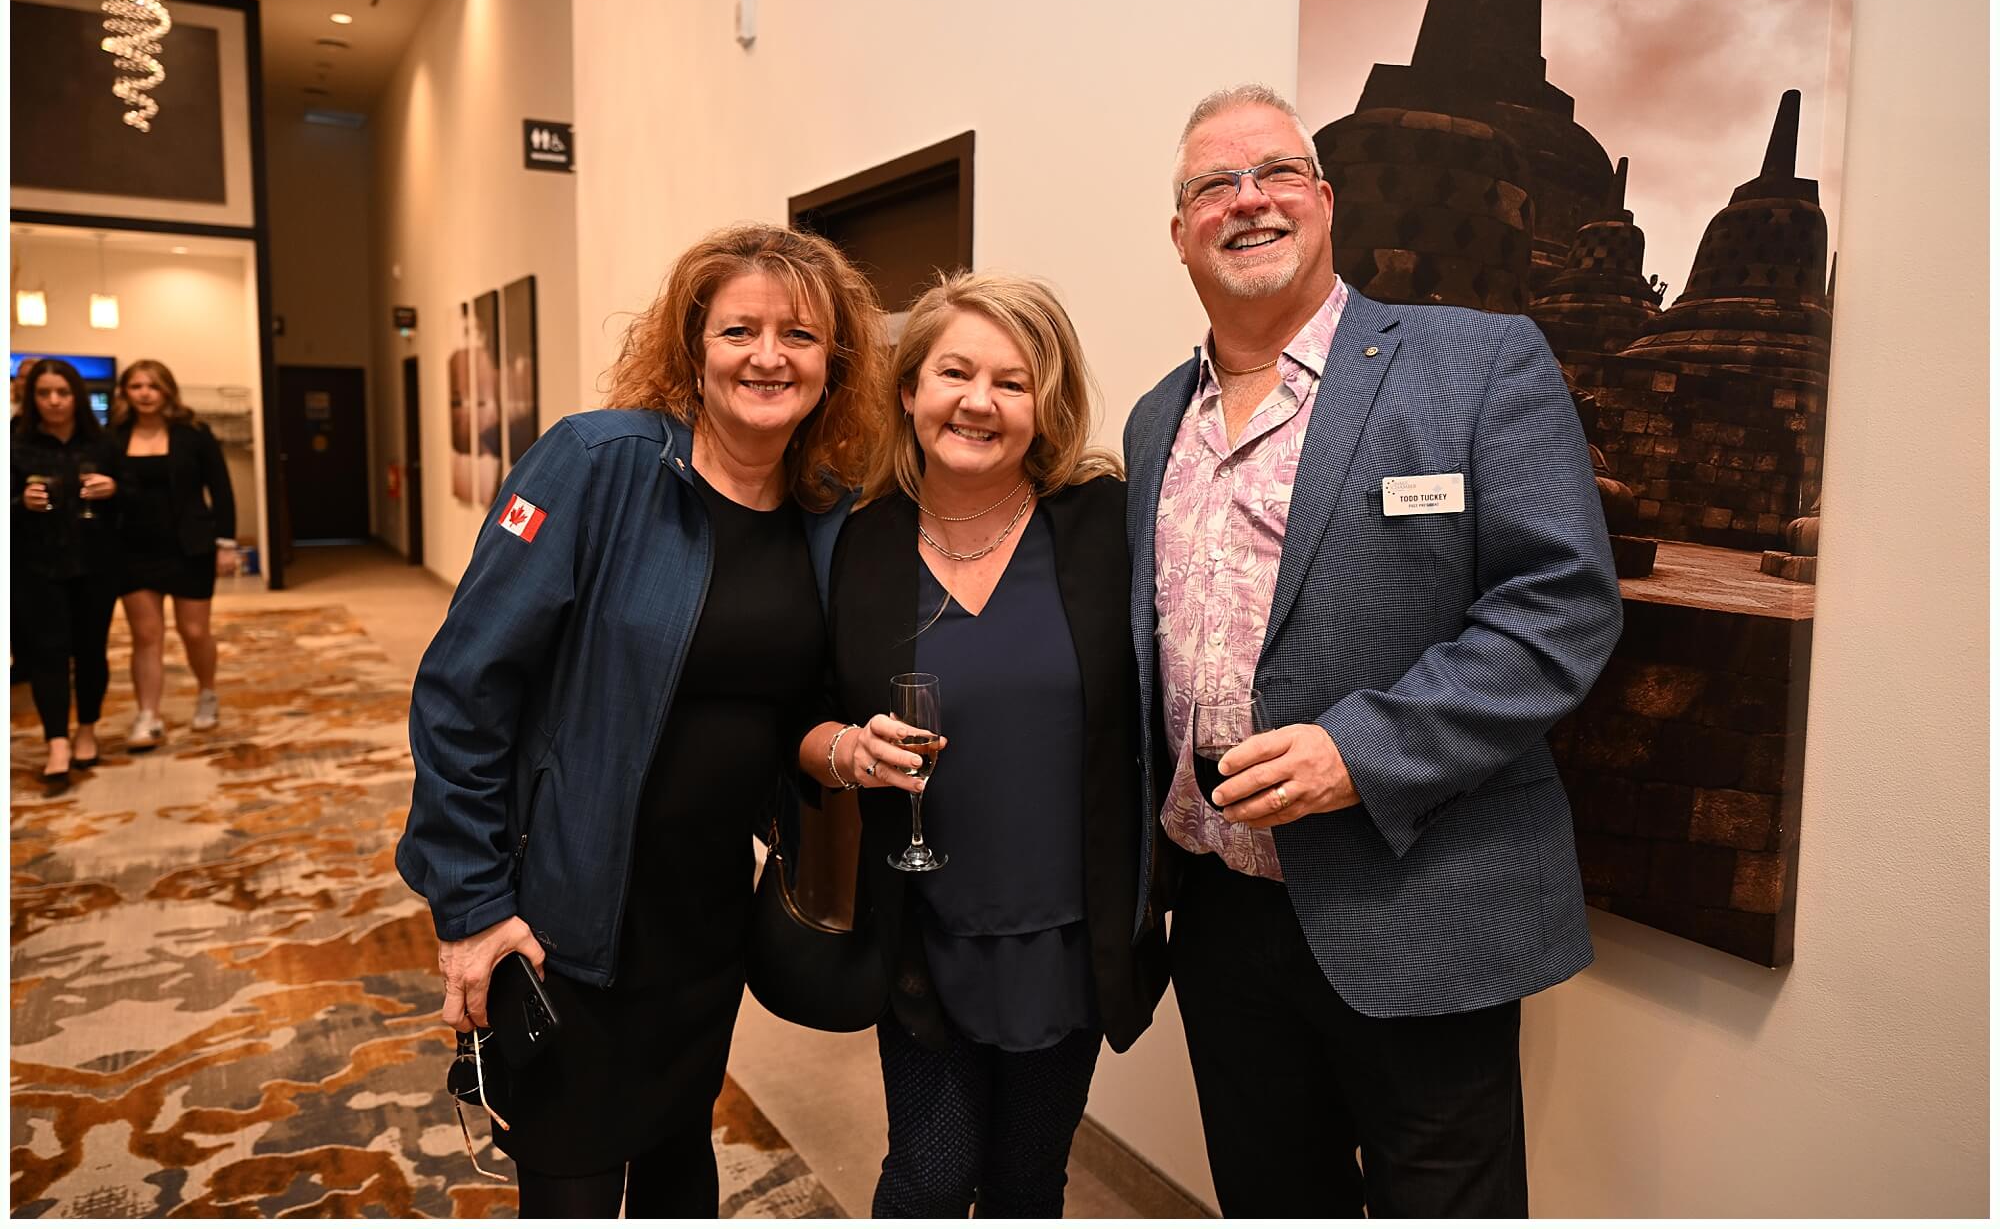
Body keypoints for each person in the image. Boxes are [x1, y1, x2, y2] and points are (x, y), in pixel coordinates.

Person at [1124, 84, 1623, 1217]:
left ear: (1325, 200)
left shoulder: (1476, 363)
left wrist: (1359, 751)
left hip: (1418, 896)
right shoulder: (1156, 419)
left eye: (1277, 173)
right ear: (1180, 233)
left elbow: (1559, 605)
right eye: (1214, 185)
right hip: (1221, 915)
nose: (1249, 200)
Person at [397, 224, 885, 1217]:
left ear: (831, 363)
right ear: (691, 347)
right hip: (565, 917)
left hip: (704, 920)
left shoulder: (822, 510)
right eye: (738, 330)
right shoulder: (597, 465)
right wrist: (471, 905)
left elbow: (793, 701)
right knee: (571, 1181)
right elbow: (461, 688)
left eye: (798, 335)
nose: (767, 356)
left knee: (677, 1166)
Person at [798, 272, 1168, 1218]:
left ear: (1046, 404)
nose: (979, 401)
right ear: (909, 389)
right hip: (921, 926)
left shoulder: (1106, 526)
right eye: (955, 373)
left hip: (1066, 933)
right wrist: (846, 749)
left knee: (1026, 1183)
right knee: (928, 1176)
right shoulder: (854, 543)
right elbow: (797, 716)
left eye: (1012, 382)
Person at [110, 360, 238, 749]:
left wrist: (226, 543)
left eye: (153, 386)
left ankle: (207, 691)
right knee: (146, 635)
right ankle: (148, 715)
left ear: (167, 391)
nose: (145, 393)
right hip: (133, 548)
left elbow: (221, 489)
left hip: (190, 547)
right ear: (125, 392)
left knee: (194, 631)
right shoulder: (113, 437)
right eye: (136, 386)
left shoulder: (194, 434)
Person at [12, 359, 122, 789]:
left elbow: (134, 498)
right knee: (47, 653)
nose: (54, 401)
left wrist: (114, 489)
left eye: (62, 392)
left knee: (91, 651)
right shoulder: (15, 443)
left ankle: (87, 729)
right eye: (44, 393)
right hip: (36, 565)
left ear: (77, 395)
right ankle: (56, 741)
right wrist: (20, 502)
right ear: (32, 397)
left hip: (96, 564)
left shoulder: (104, 443)